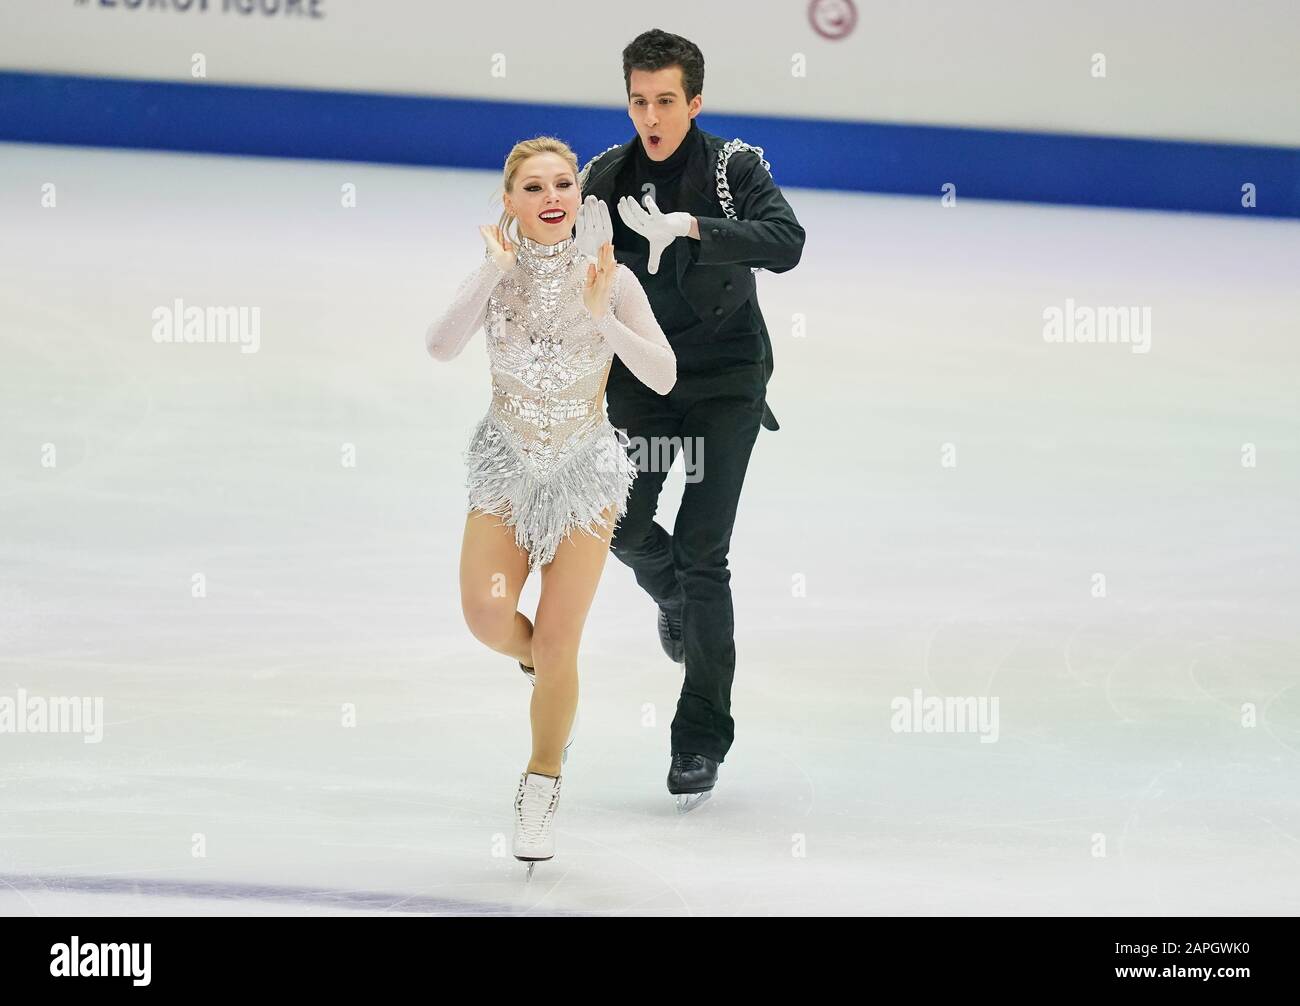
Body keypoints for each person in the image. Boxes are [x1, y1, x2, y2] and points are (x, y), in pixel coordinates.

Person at [425, 136, 676, 871]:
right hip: (506, 468)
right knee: (487, 616)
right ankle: (540, 672)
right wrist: (489, 273)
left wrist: (603, 314)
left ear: (579, 196)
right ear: (509, 203)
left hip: (583, 477)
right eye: (532, 188)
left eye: (562, 183)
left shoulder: (611, 275)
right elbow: (440, 347)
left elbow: (661, 375)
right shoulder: (495, 276)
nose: (550, 197)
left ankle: (542, 780)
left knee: (563, 640)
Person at [578, 29, 805, 810]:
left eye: (666, 100)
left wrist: (697, 230)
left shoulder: (732, 167)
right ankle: (671, 595)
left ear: (694, 101)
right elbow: (571, 270)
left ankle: (699, 736)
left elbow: (787, 242)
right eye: (639, 100)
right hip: (644, 383)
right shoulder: (604, 177)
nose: (651, 115)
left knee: (706, 550)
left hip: (725, 381)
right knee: (623, 526)